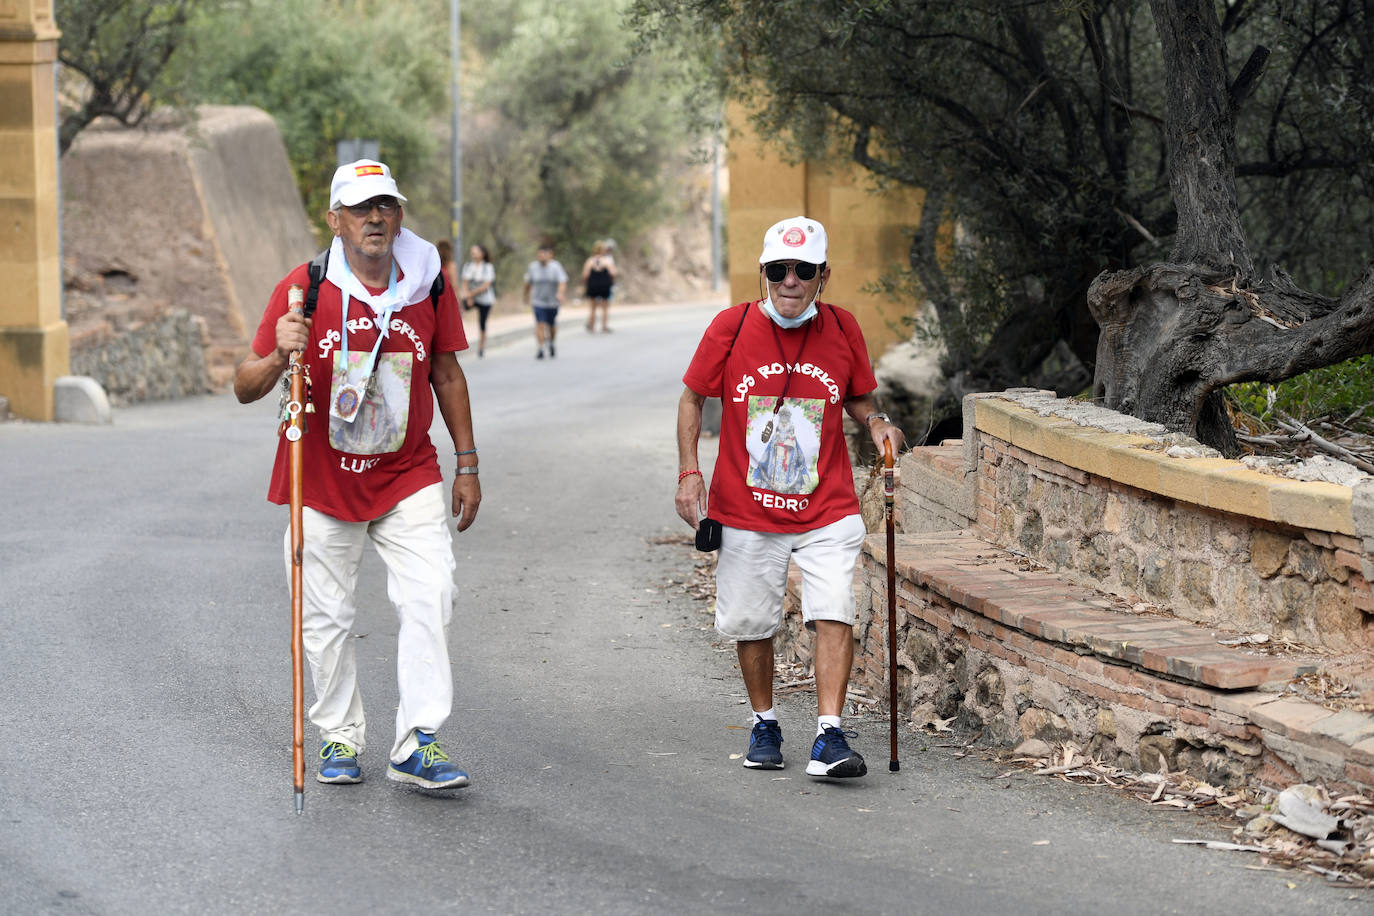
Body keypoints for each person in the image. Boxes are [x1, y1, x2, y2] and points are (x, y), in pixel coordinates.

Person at [233, 158, 481, 791]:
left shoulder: (427, 281)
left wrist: (468, 463)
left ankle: (417, 741)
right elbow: (244, 386)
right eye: (362, 207)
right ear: (335, 220)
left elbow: (447, 374)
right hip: (320, 476)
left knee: (431, 593)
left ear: (398, 215)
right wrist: (283, 349)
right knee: (325, 616)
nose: (376, 217)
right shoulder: (305, 287)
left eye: (387, 206)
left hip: (407, 472)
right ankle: (340, 735)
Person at [675, 215, 904, 779]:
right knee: (753, 622)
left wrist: (876, 423)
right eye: (778, 270)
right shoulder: (730, 327)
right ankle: (765, 722)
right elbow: (691, 399)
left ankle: (829, 737)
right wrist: (688, 472)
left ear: (823, 275)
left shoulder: (844, 328)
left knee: (835, 608)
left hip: (826, 502)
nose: (790, 281)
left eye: (803, 271)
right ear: (764, 273)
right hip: (745, 507)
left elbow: (860, 398)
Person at [524, 242, 567, 359]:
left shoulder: (556, 266)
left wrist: (560, 293)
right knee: (540, 324)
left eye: (543, 255)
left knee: (552, 325)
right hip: (538, 301)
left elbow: (562, 281)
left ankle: (552, 343)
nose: (541, 257)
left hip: (553, 301)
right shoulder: (533, 267)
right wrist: (526, 295)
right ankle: (541, 348)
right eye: (539, 255)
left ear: (550, 255)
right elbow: (528, 283)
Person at [459, 243, 496, 357]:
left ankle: (481, 347)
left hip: (485, 299)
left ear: (482, 254)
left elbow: (485, 286)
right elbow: (464, 282)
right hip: (471, 297)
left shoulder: (488, 267)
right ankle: (458, 340)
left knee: (482, 323)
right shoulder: (468, 266)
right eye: (472, 252)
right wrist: (468, 296)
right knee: (458, 313)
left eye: (476, 252)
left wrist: (471, 295)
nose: (473, 254)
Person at [581, 241, 617, 333]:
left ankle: (592, 327)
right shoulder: (606, 261)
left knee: (593, 307)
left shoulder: (590, 261)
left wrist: (585, 284)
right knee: (605, 307)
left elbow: (585, 275)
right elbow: (613, 273)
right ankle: (604, 327)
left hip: (593, 285)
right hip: (604, 285)